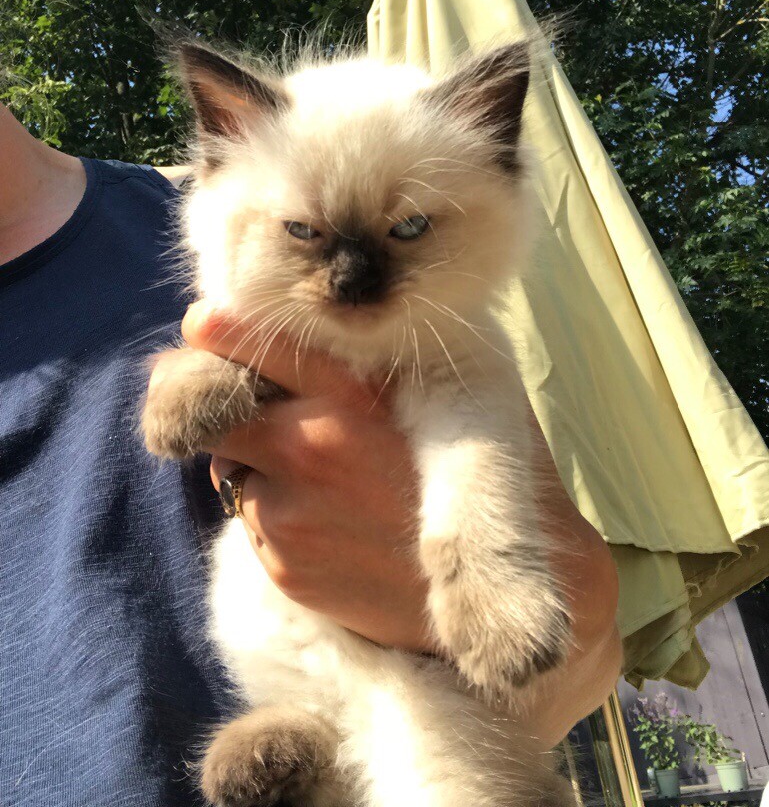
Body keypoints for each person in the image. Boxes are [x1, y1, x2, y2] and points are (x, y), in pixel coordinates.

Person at [0, 100, 621, 806]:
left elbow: (565, 656)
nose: (352, 279)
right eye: (306, 234)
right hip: (296, 683)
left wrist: (569, 609)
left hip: (440, 703)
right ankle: (316, 735)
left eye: (406, 229)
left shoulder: (217, 211)